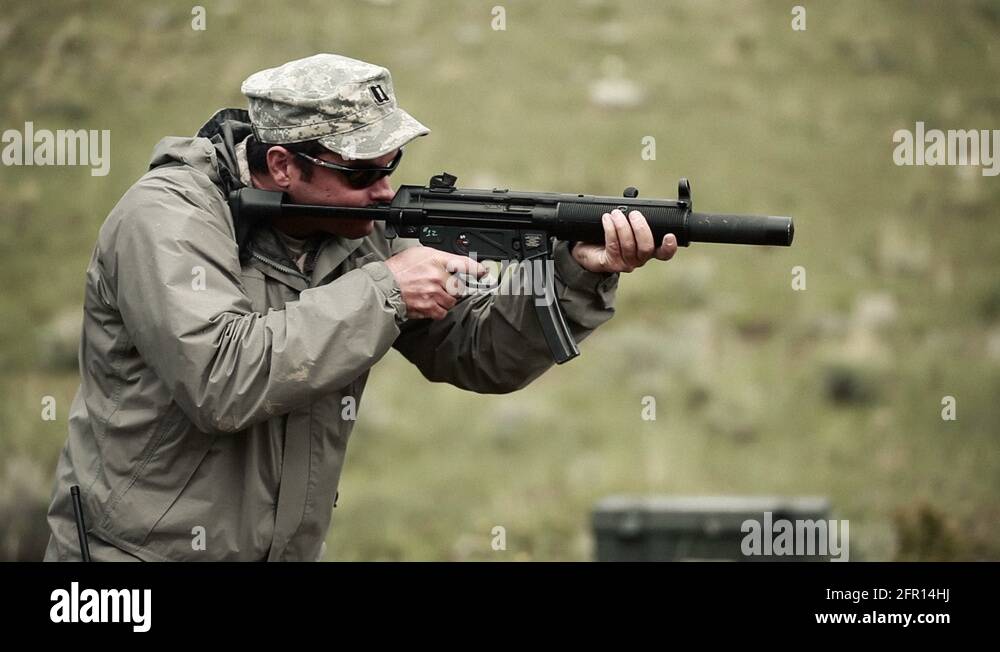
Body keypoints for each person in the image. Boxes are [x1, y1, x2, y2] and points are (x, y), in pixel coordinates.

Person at [43, 53, 677, 562]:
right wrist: (388, 291)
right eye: (360, 174)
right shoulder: (166, 218)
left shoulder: (358, 228)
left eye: (392, 164)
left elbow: (477, 351)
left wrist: (576, 273)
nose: (384, 190)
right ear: (282, 165)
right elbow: (220, 379)